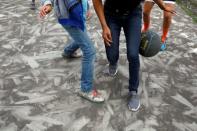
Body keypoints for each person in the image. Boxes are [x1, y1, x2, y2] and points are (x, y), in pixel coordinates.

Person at [92, 0, 175, 111]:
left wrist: (162, 5)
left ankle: (133, 91)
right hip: (111, 15)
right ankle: (112, 63)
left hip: (133, 15)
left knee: (133, 54)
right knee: (112, 53)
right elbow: (96, 1)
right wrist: (104, 26)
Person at [39, 0, 104, 103]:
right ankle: (86, 89)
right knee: (89, 51)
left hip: (78, 15)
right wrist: (47, 4)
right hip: (68, 17)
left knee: (82, 38)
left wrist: (86, 7)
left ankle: (67, 52)